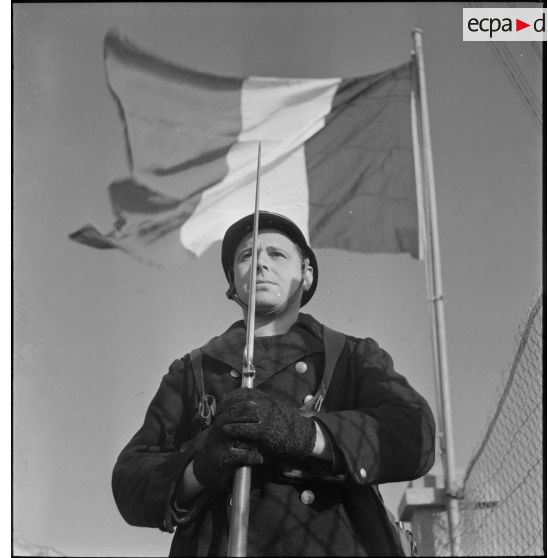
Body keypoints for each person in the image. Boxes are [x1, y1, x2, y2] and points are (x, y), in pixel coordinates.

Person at [112, 211, 436, 557]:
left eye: (277, 254)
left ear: (307, 274)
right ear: (231, 279)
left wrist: (305, 435)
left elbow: (415, 434)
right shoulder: (192, 370)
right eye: (247, 256)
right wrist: (201, 462)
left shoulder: (352, 356)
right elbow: (130, 480)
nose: (261, 265)